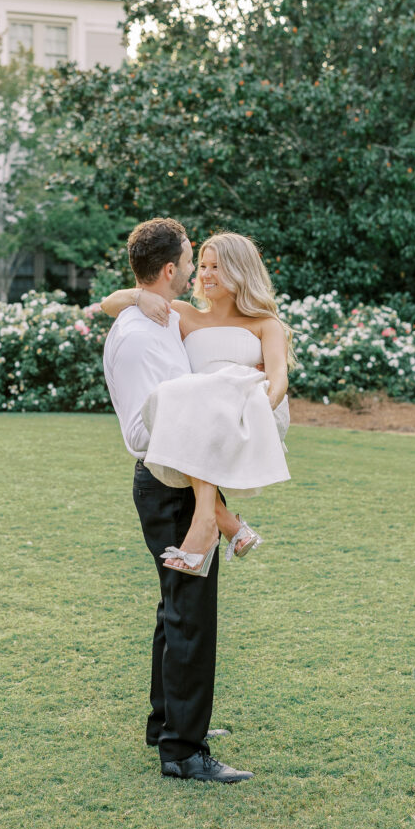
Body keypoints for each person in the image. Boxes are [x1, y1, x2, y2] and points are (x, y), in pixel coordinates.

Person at [102, 217, 254, 783]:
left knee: (176, 612)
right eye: (191, 260)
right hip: (173, 484)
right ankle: (183, 751)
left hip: (177, 482)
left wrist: (136, 295)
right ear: (170, 270)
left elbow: (114, 303)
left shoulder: (150, 313)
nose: (194, 270)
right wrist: (210, 514)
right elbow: (170, 431)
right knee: (191, 617)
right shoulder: (143, 337)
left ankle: (167, 720)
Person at [101, 229, 291, 576]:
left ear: (239, 270)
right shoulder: (184, 314)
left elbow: (278, 378)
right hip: (202, 420)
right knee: (184, 397)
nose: (205, 274)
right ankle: (222, 522)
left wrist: (259, 405)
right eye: (201, 265)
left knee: (203, 392)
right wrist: (139, 297)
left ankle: (211, 522)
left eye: (216, 266)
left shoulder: (265, 324)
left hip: (250, 414)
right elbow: (107, 304)